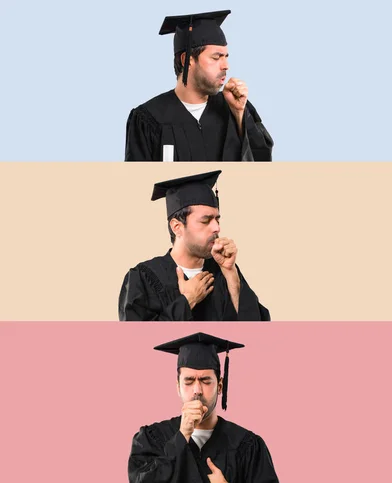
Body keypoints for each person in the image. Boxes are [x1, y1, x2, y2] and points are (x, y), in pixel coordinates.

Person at [128, 332, 279, 483]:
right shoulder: (152, 440)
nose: (197, 390)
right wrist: (182, 437)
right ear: (178, 387)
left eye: (206, 381)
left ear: (220, 386)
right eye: (189, 381)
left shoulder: (247, 445)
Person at [118, 170, 269, 321]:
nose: (217, 228)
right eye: (205, 221)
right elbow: (134, 340)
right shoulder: (143, 278)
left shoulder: (225, 272)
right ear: (177, 227)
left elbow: (259, 334)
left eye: (217, 219)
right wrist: (187, 300)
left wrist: (231, 273)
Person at [125, 10, 273, 162]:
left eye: (226, 57)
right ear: (186, 60)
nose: (226, 66)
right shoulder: (148, 118)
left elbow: (263, 165)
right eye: (216, 57)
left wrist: (240, 116)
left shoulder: (235, 107)